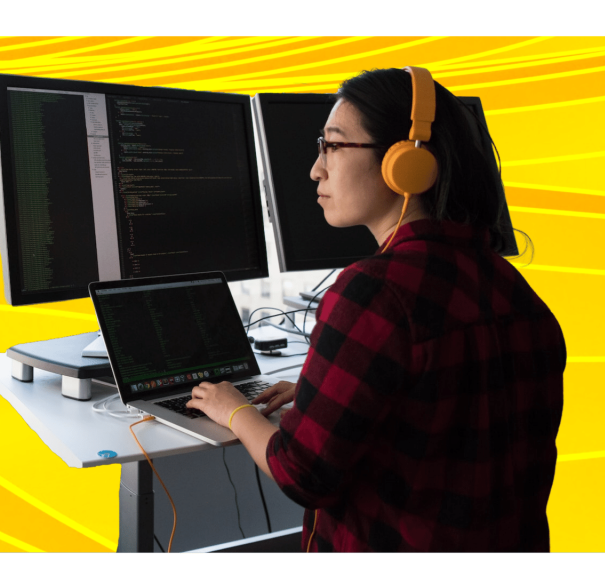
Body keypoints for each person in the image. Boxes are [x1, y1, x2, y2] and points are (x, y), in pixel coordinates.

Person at [187, 67, 566, 552]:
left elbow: (302, 474)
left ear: (404, 163)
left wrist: (234, 408)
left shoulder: (374, 293)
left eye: (333, 146)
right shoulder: (514, 289)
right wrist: (323, 389)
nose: (316, 169)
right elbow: (449, 405)